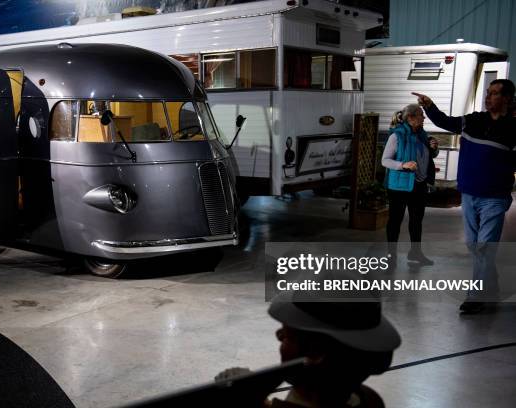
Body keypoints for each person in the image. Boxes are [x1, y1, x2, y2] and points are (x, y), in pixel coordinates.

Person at [413, 79, 516, 314]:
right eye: (488, 93)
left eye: (495, 94)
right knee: (475, 246)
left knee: (483, 248)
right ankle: (493, 287)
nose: (489, 97)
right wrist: (429, 106)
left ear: (507, 99)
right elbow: (445, 122)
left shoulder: (513, 129)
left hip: (495, 197)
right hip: (469, 194)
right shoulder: (473, 121)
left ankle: (476, 296)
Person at [216, 295, 401, 408]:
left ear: (315, 354)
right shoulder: (369, 399)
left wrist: (244, 400)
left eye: (286, 335)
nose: (278, 337)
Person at [381, 104, 439, 267]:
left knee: (416, 221)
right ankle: (391, 257)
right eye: (421, 115)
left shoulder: (422, 135)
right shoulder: (397, 136)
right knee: (395, 221)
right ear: (411, 118)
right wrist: (403, 165)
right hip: (399, 186)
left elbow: (425, 156)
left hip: (419, 184)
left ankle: (415, 253)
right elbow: (385, 160)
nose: (424, 118)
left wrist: (434, 149)